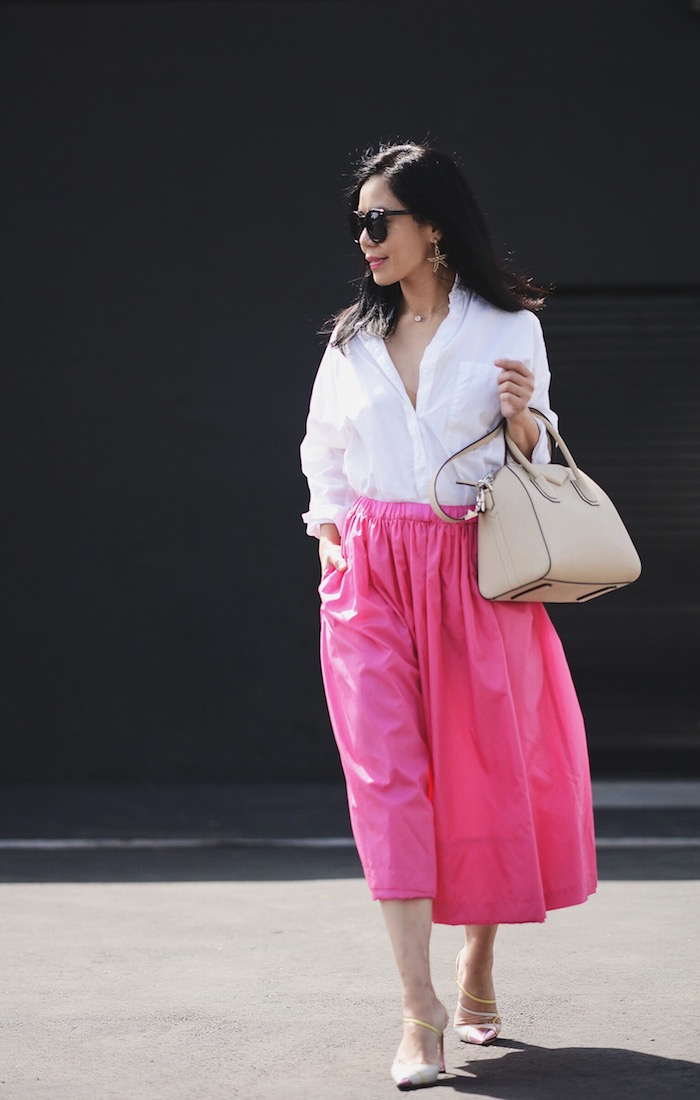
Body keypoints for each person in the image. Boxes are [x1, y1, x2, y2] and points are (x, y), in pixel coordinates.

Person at [300, 143, 597, 1090]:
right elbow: (323, 451)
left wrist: (521, 422)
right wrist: (330, 536)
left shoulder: (508, 326)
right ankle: (417, 1010)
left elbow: (537, 455)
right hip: (372, 576)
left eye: (381, 220)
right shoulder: (351, 340)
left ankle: (477, 962)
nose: (366, 238)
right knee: (387, 781)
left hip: (472, 566)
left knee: (477, 781)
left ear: (433, 225)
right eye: (360, 223)